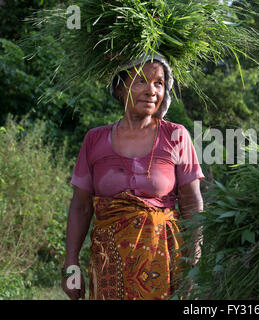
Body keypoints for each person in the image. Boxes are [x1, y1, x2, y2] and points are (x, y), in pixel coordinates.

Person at [61, 54, 204, 300]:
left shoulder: (176, 136)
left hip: (164, 263)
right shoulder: (95, 140)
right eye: (140, 81)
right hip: (108, 267)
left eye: (159, 83)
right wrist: (71, 265)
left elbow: (192, 204)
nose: (151, 91)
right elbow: (81, 208)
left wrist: (196, 263)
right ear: (119, 88)